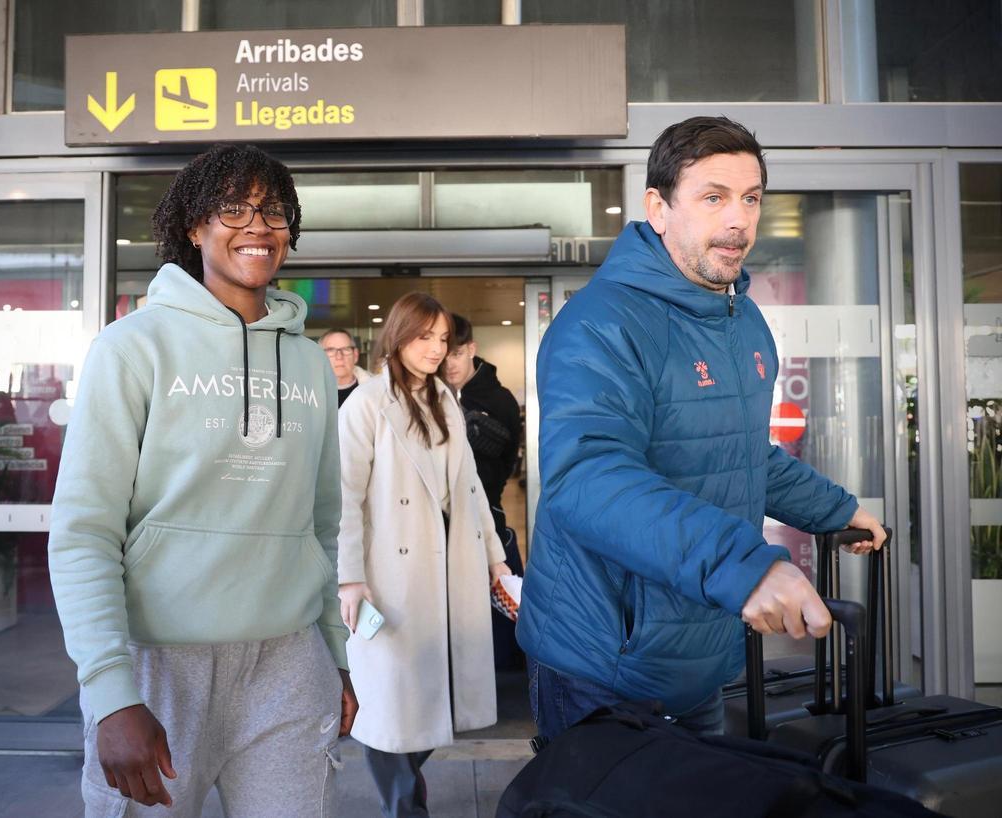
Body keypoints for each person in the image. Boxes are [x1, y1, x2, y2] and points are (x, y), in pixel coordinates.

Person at [517, 116, 887, 741]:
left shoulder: (740, 320)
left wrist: (834, 509)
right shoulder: (601, 322)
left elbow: (743, 457)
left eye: (750, 199)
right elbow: (587, 478)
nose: (738, 219)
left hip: (699, 651)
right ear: (657, 209)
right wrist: (745, 566)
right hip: (604, 663)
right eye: (713, 197)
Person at [48, 143, 356, 817]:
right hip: (159, 663)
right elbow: (84, 532)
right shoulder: (132, 348)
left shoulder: (307, 363)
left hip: (287, 661)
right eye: (233, 208)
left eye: (273, 209)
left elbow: (322, 525)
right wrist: (111, 693)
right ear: (194, 227)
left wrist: (334, 653)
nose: (257, 224)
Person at [337, 292, 511, 817]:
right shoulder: (367, 403)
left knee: (438, 694)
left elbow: (471, 485)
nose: (436, 349)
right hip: (389, 572)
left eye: (442, 339)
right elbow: (342, 494)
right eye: (424, 337)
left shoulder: (445, 398)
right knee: (388, 702)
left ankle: (408, 790)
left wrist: (494, 556)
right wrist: (349, 578)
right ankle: (404, 804)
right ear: (398, 335)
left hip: (447, 565)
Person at [442, 314, 522, 536]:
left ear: (471, 349)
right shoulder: (431, 397)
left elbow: (508, 462)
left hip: (485, 510)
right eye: (443, 357)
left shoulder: (500, 400)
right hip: (438, 517)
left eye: (456, 354)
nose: (449, 365)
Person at [319, 327, 369, 407]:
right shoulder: (305, 393)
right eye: (331, 350)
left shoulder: (375, 390)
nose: (339, 356)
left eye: (346, 349)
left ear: (355, 355)